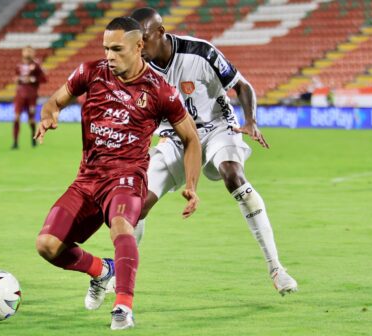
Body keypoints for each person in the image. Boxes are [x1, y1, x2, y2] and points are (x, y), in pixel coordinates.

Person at [34, 17, 201, 330]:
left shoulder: (160, 92)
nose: (109, 55)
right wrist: (49, 116)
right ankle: (101, 270)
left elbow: (191, 139)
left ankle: (123, 306)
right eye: (105, 48)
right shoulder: (90, 72)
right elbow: (54, 101)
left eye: (117, 49)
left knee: (122, 227)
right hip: (87, 179)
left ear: (139, 47)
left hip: (127, 179)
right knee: (47, 245)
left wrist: (191, 185)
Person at [127, 7, 298, 295]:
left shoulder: (201, 53)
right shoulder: (136, 69)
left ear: (160, 32)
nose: (139, 48)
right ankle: (118, 273)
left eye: (143, 39)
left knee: (233, 175)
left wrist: (251, 121)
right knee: (138, 205)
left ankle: (277, 269)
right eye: (135, 43)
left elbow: (242, 86)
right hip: (176, 137)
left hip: (217, 127)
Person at [12, 46, 47, 149]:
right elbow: (15, 77)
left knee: (31, 120)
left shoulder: (36, 66)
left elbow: (44, 79)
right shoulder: (18, 66)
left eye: (30, 51)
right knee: (16, 117)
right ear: (22, 53)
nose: (27, 53)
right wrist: (17, 79)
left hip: (31, 95)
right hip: (19, 95)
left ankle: (33, 137)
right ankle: (15, 142)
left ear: (33, 53)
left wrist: (32, 79)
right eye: (26, 51)